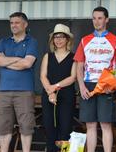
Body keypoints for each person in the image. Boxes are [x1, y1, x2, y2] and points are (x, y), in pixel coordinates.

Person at [74, 6, 116, 152]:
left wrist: (114, 85)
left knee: (106, 124)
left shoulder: (115, 41)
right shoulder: (85, 40)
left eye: (100, 18)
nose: (96, 21)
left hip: (106, 85)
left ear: (107, 19)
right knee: (90, 124)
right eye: (94, 18)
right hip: (88, 85)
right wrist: (82, 87)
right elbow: (79, 67)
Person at [0, 12, 38, 152]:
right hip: (4, 91)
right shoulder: (3, 41)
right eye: (11, 22)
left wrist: (6, 61)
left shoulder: (32, 42)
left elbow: (27, 63)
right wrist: (18, 58)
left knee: (26, 126)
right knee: (3, 126)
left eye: (17, 22)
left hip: (24, 91)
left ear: (25, 24)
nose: (13, 25)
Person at [40, 24, 76, 152]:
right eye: (56, 37)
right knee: (49, 129)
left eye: (62, 37)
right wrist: (50, 91)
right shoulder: (47, 56)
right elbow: (43, 76)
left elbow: (72, 77)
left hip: (66, 96)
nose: (58, 39)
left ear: (67, 39)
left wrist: (54, 88)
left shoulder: (74, 57)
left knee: (65, 129)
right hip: (48, 96)